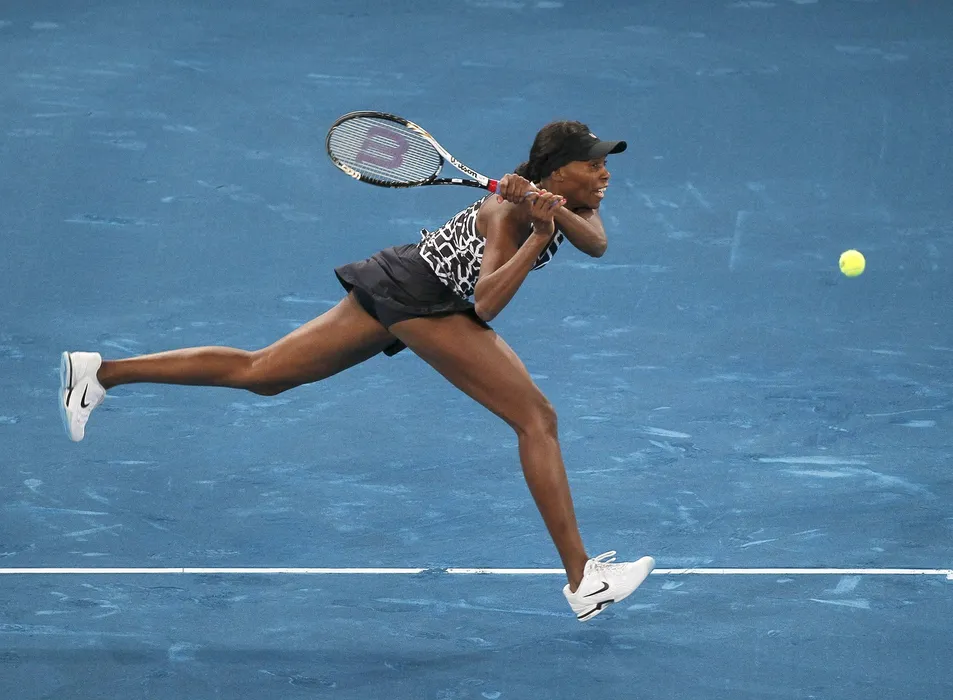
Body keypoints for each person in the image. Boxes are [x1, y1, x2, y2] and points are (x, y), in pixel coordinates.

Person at [59, 120, 655, 621]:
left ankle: (101, 373)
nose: (605, 174)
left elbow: (596, 243)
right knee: (536, 420)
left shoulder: (574, 200)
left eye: (605, 163)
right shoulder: (507, 212)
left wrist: (552, 215)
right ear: (557, 172)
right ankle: (583, 579)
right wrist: (538, 233)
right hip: (424, 300)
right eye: (593, 164)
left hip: (405, 281)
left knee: (265, 373)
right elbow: (486, 304)